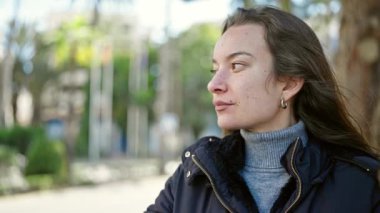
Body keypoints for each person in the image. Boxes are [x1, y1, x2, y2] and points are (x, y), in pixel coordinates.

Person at [146, 6, 380, 213]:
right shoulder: (192, 178)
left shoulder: (360, 185)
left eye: (237, 65)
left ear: (289, 83)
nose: (214, 85)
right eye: (215, 69)